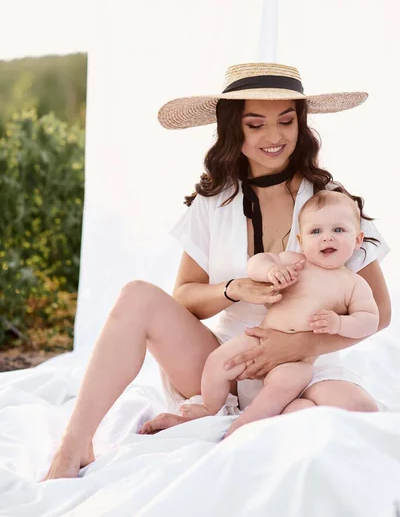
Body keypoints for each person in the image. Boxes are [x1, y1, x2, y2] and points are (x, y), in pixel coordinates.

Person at [45, 62, 391, 479]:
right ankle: (74, 444)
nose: (274, 136)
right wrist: (235, 289)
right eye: (255, 124)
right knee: (137, 294)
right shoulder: (213, 201)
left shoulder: (333, 206)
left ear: (301, 125)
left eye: (286, 121)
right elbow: (185, 296)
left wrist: (299, 346)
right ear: (233, 129)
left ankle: (274, 413)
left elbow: (380, 313)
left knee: (357, 414)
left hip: (305, 367)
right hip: (221, 363)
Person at [179, 190, 379, 436]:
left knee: (286, 383)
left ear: (358, 239)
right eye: (316, 232)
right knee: (219, 360)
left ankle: (246, 423)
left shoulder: (353, 284)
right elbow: (257, 263)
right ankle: (210, 407)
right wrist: (271, 270)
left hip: (299, 359)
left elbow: (370, 320)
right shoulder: (294, 262)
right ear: (301, 240)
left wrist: (339, 323)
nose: (327, 238)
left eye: (338, 230)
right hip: (260, 337)